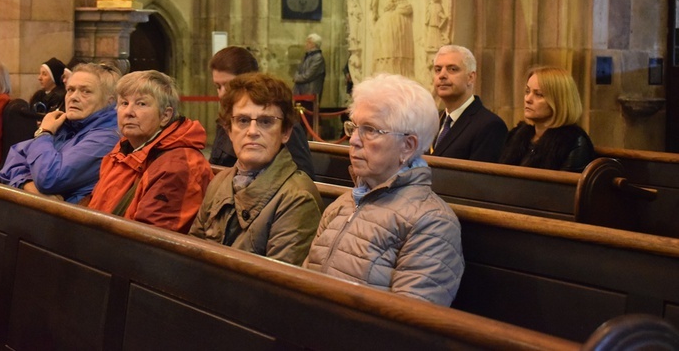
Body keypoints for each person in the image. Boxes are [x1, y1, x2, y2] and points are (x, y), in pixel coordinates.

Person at [304, 73, 464, 305]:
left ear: (407, 146)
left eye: (370, 130)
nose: (353, 140)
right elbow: (303, 281)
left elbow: (408, 324)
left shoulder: (432, 222)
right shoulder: (342, 205)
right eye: (354, 127)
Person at [190, 73, 324, 266]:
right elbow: (190, 254)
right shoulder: (220, 181)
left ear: (285, 132)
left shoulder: (298, 198)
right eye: (243, 120)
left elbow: (275, 285)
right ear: (229, 130)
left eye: (266, 121)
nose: (252, 131)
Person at [88, 70, 213, 232]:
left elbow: (149, 240)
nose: (129, 112)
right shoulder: (123, 149)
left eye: (141, 104)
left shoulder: (177, 166)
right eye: (124, 103)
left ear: (165, 116)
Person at [0, 63, 121, 203]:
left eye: (86, 91)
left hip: (70, 220)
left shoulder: (106, 138)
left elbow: (49, 178)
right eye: (70, 90)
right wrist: (27, 185)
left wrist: (44, 132)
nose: (73, 97)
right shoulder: (68, 124)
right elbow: (14, 157)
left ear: (109, 101)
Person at [208, 46, 315, 179]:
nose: (222, 94)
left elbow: (304, 176)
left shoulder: (280, 123)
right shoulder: (225, 121)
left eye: (229, 85)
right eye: (218, 87)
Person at [499, 66, 596, 172]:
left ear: (559, 101)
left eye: (538, 94)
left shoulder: (572, 143)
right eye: (527, 91)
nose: (528, 99)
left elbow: (563, 187)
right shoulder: (517, 135)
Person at [430, 45, 507, 162]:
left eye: (452, 69)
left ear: (471, 77)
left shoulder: (489, 125)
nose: (442, 75)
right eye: (438, 69)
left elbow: (478, 179)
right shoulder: (433, 121)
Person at [293, 33, 326, 101]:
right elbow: (299, 69)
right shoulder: (307, 56)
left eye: (308, 42)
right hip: (300, 92)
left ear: (314, 44)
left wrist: (297, 78)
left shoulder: (318, 58)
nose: (306, 44)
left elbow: (309, 75)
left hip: (310, 92)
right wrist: (296, 76)